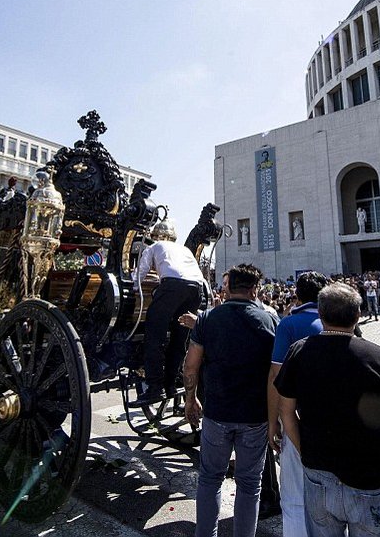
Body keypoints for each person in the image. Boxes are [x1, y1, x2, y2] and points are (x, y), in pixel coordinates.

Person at [275, 283, 380, 537]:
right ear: (358, 315)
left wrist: (306, 451)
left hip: (319, 474)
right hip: (369, 476)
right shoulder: (379, 357)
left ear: (321, 314)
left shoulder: (300, 351)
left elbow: (286, 412)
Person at [183, 264, 277, 537]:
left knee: (210, 480)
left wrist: (191, 399)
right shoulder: (270, 320)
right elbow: (276, 372)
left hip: (217, 412)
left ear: (227, 287)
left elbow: (191, 366)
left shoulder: (208, 319)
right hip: (255, 415)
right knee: (249, 485)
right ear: (254, 289)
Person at [267, 271, 329, 537]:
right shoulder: (340, 320)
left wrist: (273, 423)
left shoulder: (289, 324)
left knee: (293, 495)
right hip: (335, 418)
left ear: (297, 295)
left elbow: (276, 377)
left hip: (296, 417)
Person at [133, 218, 209, 406]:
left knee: (154, 336)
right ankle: (171, 384)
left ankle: (154, 386)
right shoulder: (184, 250)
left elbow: (141, 272)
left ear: (153, 237)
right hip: (196, 289)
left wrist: (135, 288)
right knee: (179, 338)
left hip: (173, 286)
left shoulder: (153, 247)